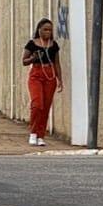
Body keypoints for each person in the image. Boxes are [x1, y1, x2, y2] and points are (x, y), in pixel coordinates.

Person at [22, 18, 62, 147]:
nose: (47, 32)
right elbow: (24, 61)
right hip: (36, 75)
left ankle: (41, 135)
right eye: (45, 29)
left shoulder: (53, 45)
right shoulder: (32, 44)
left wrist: (59, 79)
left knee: (45, 107)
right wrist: (33, 58)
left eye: (50, 30)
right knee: (37, 104)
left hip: (50, 76)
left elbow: (57, 63)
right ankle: (33, 132)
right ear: (39, 30)